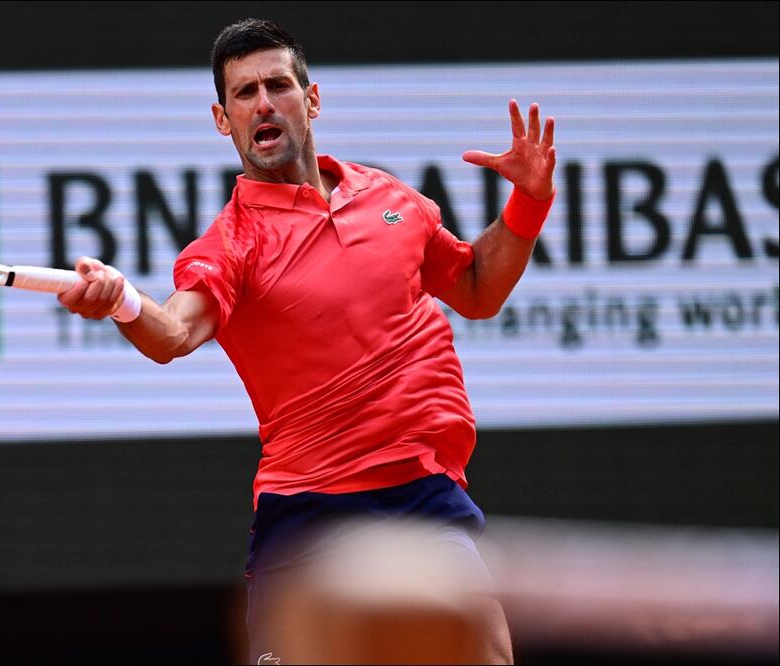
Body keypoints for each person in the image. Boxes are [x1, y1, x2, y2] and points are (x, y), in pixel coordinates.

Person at [58, 18, 555, 665]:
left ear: (310, 98)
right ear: (222, 119)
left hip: (420, 495)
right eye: (243, 94)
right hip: (309, 512)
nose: (262, 103)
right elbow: (174, 332)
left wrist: (526, 202)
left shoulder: (391, 199)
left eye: (276, 85)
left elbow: (475, 287)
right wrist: (123, 301)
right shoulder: (232, 243)